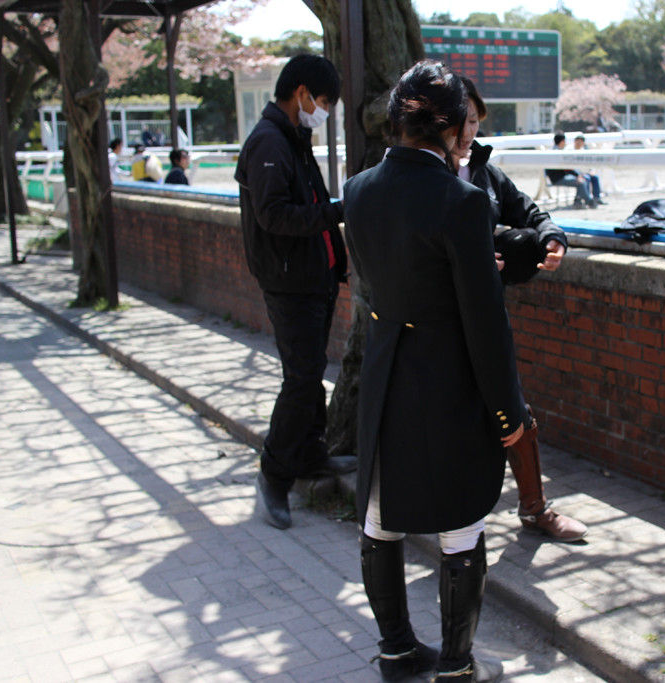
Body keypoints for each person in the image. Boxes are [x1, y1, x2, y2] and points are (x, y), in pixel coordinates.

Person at [344, 61, 526, 682]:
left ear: (398, 119)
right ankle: (455, 664)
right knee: (461, 521)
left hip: (385, 372)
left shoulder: (358, 189)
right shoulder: (462, 201)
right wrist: (508, 411)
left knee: (379, 515)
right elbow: (485, 320)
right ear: (450, 129)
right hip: (447, 379)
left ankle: (396, 651)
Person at [453, 76, 588, 543]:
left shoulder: (485, 172)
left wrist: (552, 238)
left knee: (513, 408)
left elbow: (531, 212)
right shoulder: (420, 178)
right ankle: (438, 518)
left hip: (486, 315)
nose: (468, 132)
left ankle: (534, 508)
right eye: (460, 122)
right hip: (436, 322)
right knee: (447, 418)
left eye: (474, 121)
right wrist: (462, 266)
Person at [235, 54, 355, 531]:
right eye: (322, 101)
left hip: (313, 278)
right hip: (289, 282)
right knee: (301, 378)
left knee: (310, 372)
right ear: (301, 93)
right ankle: (274, 473)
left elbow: (311, 203)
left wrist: (336, 258)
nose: (323, 111)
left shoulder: (292, 138)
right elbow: (275, 215)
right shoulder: (269, 141)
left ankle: (310, 455)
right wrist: (338, 211)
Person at [546, 132, 595, 208]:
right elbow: (566, 167)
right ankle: (588, 201)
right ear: (562, 141)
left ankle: (578, 202)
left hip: (558, 177)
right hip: (558, 178)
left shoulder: (553, 150)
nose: (565, 143)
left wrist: (577, 175)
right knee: (581, 182)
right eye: (564, 141)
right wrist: (577, 175)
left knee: (581, 180)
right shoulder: (558, 152)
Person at [572, 134, 604, 204]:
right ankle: (587, 199)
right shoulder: (570, 151)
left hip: (586, 172)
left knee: (595, 177)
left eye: (581, 142)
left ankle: (596, 198)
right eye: (577, 141)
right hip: (577, 174)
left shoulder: (584, 151)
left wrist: (591, 171)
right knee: (587, 178)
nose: (579, 143)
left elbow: (590, 164)